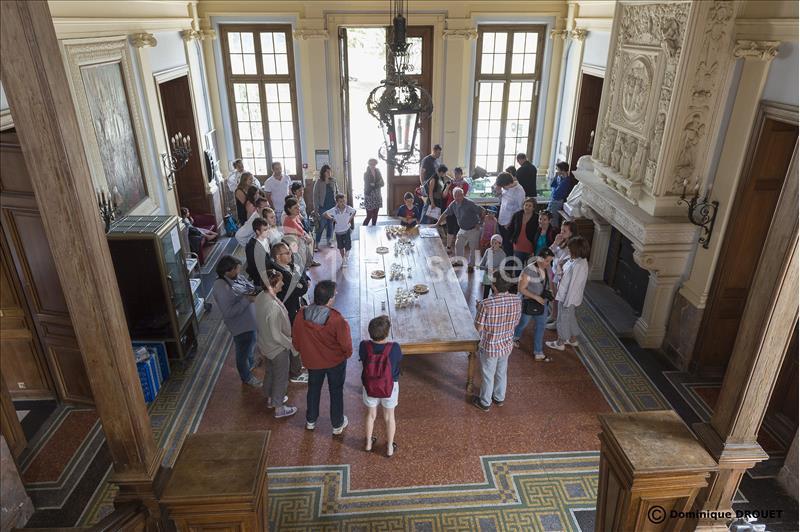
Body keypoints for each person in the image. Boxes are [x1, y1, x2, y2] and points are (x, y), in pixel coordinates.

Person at [292, 280, 353, 435]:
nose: (336, 294)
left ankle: (311, 420)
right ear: (330, 299)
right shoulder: (336, 319)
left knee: (313, 389)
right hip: (335, 362)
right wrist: (347, 354)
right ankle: (337, 424)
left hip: (313, 362)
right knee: (336, 391)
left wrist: (304, 351)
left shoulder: (301, 314)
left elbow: (296, 339)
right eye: (335, 293)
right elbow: (345, 344)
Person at [472, 272, 522, 412]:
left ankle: (485, 402)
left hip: (490, 346)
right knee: (501, 372)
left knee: (488, 374)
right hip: (506, 343)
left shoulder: (485, 304)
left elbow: (478, 328)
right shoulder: (517, 300)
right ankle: (499, 398)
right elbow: (516, 322)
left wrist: (479, 309)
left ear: (493, 286)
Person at [255, 269, 300, 419]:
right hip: (276, 348)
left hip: (265, 344)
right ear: (273, 285)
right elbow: (276, 334)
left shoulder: (261, 296)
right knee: (281, 377)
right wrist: (290, 345)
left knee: (270, 372)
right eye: (280, 280)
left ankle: (270, 398)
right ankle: (279, 407)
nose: (283, 283)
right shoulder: (273, 307)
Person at [213, 255, 262, 387]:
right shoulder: (221, 287)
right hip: (240, 325)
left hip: (249, 321)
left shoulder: (236, 278)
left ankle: (250, 363)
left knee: (251, 342)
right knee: (242, 352)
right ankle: (246, 377)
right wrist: (247, 300)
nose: (239, 272)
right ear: (227, 271)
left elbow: (249, 287)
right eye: (236, 270)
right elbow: (228, 312)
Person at [360, 315, 403, 457]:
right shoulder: (394, 347)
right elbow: (398, 363)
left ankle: (368, 443)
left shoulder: (364, 346)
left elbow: (363, 360)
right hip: (389, 386)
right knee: (389, 417)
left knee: (371, 414)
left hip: (370, 386)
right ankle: (390, 447)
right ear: (387, 333)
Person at [546, 236, 590, 352]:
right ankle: (573, 339)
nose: (569, 251)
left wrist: (567, 301)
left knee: (562, 318)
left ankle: (560, 341)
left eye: (570, 249)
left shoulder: (579, 265)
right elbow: (565, 274)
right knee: (570, 317)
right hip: (565, 294)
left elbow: (574, 286)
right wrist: (560, 267)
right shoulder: (576, 260)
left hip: (567, 297)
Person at [513, 248, 555, 361]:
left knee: (540, 327)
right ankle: (514, 337)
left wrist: (549, 293)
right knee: (523, 323)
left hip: (542, 303)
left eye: (550, 261)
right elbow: (521, 289)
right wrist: (536, 297)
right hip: (529, 303)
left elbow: (548, 283)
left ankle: (538, 352)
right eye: (547, 261)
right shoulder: (528, 270)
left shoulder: (547, 268)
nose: (548, 264)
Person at [434, 187, 484, 272]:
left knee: (473, 248)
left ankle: (471, 265)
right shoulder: (453, 204)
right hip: (462, 229)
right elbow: (445, 214)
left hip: (473, 229)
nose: (457, 198)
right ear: (453, 196)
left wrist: (480, 223)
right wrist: (437, 224)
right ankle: (459, 261)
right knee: (458, 244)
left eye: (459, 196)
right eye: (455, 196)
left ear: (463, 195)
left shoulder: (469, 203)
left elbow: (482, 211)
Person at [546, 220, 576, 330]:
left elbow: (565, 263)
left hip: (561, 277)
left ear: (571, 233)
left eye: (564, 231)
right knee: (554, 297)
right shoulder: (561, 242)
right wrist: (555, 243)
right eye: (561, 230)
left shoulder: (572, 247)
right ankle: (553, 315)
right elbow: (548, 253)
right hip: (554, 272)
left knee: (560, 300)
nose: (561, 232)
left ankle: (557, 322)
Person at [496, 172, 526, 257]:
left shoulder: (519, 191)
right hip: (501, 220)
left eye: (503, 186)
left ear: (509, 183)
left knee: (508, 247)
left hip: (509, 224)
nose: (503, 188)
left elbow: (520, 209)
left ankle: (508, 268)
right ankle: (504, 263)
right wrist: (498, 192)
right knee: (503, 244)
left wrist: (510, 222)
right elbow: (502, 200)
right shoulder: (505, 187)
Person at [324, 193, 357, 266]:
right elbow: (325, 214)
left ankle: (346, 256)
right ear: (337, 202)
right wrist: (332, 218)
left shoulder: (348, 208)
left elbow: (354, 211)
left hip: (347, 229)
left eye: (343, 201)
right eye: (340, 201)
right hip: (338, 232)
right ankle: (343, 259)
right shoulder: (334, 210)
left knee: (348, 246)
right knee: (341, 246)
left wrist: (350, 219)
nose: (342, 203)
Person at [442, 167, 470, 252]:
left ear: (461, 174)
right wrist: (447, 187)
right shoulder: (450, 182)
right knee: (449, 228)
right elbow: (444, 196)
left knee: (458, 229)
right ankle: (449, 247)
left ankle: (458, 249)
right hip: (450, 208)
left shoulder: (465, 184)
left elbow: (461, 196)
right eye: (455, 174)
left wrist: (459, 187)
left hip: (460, 209)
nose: (456, 176)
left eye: (458, 174)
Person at [508, 198, 538, 274]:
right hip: (518, 245)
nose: (527, 207)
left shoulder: (537, 217)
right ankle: (518, 284)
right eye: (526, 205)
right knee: (518, 267)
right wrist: (512, 239)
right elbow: (510, 228)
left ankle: (527, 285)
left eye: (530, 206)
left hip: (530, 246)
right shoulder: (517, 215)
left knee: (529, 269)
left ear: (533, 208)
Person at [313, 165, 338, 249]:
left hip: (332, 207)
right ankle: (316, 243)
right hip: (322, 207)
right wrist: (316, 209)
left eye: (330, 171)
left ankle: (329, 241)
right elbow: (315, 196)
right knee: (321, 225)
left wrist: (338, 204)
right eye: (327, 171)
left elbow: (337, 193)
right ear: (323, 173)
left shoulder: (333, 181)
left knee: (330, 225)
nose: (329, 173)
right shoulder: (319, 182)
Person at [548, 161, 577, 228]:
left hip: (557, 201)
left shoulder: (567, 181)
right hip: (552, 200)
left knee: (553, 220)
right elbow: (552, 185)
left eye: (557, 169)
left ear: (562, 170)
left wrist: (555, 189)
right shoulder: (559, 178)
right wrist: (555, 177)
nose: (556, 170)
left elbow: (557, 194)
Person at [478, 234, 506, 299]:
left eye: (495, 243)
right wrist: (480, 266)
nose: (493, 245)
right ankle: (484, 303)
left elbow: (502, 266)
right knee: (486, 290)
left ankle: (494, 304)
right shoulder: (488, 250)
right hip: (487, 274)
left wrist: (495, 269)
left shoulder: (502, 254)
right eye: (492, 243)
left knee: (495, 291)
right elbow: (483, 261)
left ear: (500, 244)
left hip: (496, 276)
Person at [245, 217, 270, 286]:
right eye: (265, 230)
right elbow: (254, 267)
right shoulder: (251, 248)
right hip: (261, 280)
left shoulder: (266, 239)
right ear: (258, 231)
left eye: (268, 228)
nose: (268, 231)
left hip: (269, 274)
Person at [363, 159, 384, 226]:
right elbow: (369, 186)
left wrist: (374, 184)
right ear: (368, 164)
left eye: (374, 164)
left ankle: (374, 228)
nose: (373, 165)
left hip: (377, 195)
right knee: (369, 215)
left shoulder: (378, 171)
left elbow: (382, 183)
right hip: (369, 195)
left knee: (375, 214)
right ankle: (363, 229)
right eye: (371, 164)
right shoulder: (366, 174)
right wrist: (377, 184)